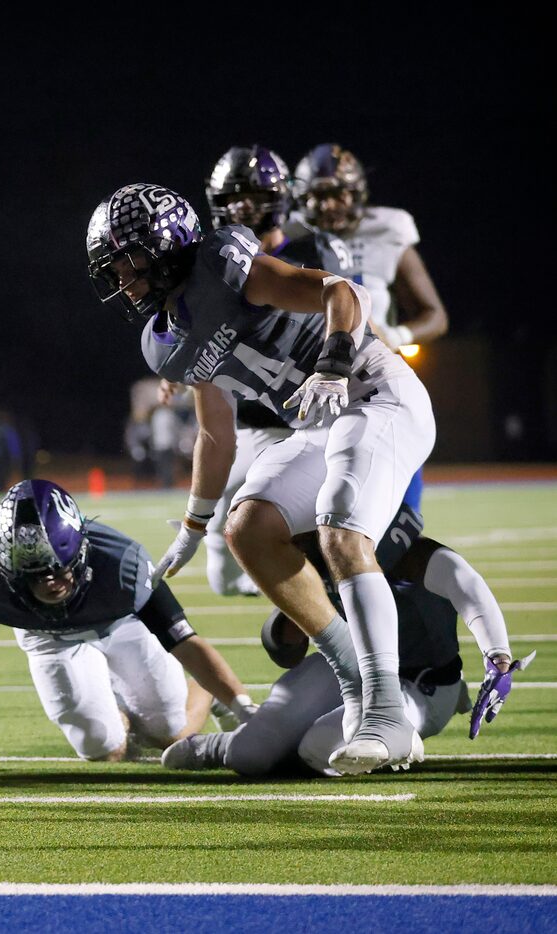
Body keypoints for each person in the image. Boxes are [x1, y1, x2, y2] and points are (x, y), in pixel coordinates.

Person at [86, 182, 435, 775]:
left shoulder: (224, 264)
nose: (124, 279)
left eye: (130, 261)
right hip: (317, 425)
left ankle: (386, 715)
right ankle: (355, 680)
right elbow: (216, 433)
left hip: (374, 392)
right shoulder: (163, 342)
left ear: (166, 244)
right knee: (247, 527)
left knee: (341, 531)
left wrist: (332, 364)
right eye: (114, 267)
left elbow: (340, 291)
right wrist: (197, 524)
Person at [162, 505, 530, 775]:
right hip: (348, 668)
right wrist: (289, 623)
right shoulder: (304, 555)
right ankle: (227, 744)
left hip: (421, 685)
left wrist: (497, 656)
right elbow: (282, 649)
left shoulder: (389, 547)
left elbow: (463, 580)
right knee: (250, 754)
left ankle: (376, 738)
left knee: (319, 746)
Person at [0, 480, 257, 772]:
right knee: (103, 747)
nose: (51, 583)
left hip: (121, 624)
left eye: (59, 568)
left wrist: (243, 710)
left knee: (173, 734)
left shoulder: (121, 565)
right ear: (8, 569)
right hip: (48, 637)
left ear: (81, 551)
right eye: (34, 574)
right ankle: (111, 716)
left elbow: (186, 643)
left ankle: (204, 693)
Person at [195, 145, 355, 598]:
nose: (242, 204)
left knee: (333, 509)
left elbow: (348, 305)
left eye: (253, 193)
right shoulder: (217, 268)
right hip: (253, 418)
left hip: (317, 410)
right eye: (232, 195)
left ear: (279, 197)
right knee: (225, 576)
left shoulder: (314, 249)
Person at [293, 144, 447, 510]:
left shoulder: (387, 230)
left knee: (399, 517)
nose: (328, 205)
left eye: (336, 194)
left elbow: (435, 315)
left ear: (356, 192)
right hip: (309, 387)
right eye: (317, 196)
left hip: (376, 383)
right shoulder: (290, 239)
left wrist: (395, 336)